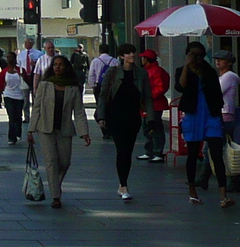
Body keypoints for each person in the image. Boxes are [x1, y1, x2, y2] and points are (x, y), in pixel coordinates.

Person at [28, 53, 90, 208]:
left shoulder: (73, 87)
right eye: (55, 64)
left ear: (66, 67)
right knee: (51, 161)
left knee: (65, 161)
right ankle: (56, 196)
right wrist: (31, 130)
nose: (57, 67)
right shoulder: (45, 84)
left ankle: (55, 182)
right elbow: (36, 107)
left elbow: (79, 111)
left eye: (60, 64)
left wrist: (84, 133)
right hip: (45, 128)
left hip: (65, 128)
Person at [177, 42, 233, 207]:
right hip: (193, 116)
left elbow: (217, 96)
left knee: (217, 155)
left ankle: (223, 195)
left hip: (211, 115)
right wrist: (187, 66)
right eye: (194, 55)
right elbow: (181, 86)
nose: (198, 58)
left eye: (201, 54)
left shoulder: (209, 71)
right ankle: (192, 191)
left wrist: (221, 121)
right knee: (193, 154)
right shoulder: (183, 70)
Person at [97, 44, 150, 201]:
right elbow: (103, 94)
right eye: (127, 53)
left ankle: (122, 184)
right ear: (121, 56)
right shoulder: (112, 73)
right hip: (116, 117)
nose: (131, 55)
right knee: (122, 150)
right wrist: (102, 116)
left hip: (133, 118)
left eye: (133, 52)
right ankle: (123, 185)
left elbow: (147, 97)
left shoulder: (141, 74)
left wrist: (151, 119)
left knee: (128, 151)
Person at [139, 49, 170, 162]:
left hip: (155, 104)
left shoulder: (156, 71)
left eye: (143, 58)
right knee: (147, 128)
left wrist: (148, 97)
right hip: (147, 104)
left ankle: (157, 151)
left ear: (146, 59)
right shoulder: (147, 71)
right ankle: (150, 151)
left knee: (155, 128)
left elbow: (160, 88)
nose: (141, 59)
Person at [0, 58, 28, 145]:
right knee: (11, 116)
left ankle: (18, 132)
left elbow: (27, 81)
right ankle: (11, 137)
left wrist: (23, 76)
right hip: (8, 95)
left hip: (19, 96)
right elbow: (1, 84)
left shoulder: (20, 70)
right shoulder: (4, 71)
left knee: (18, 116)